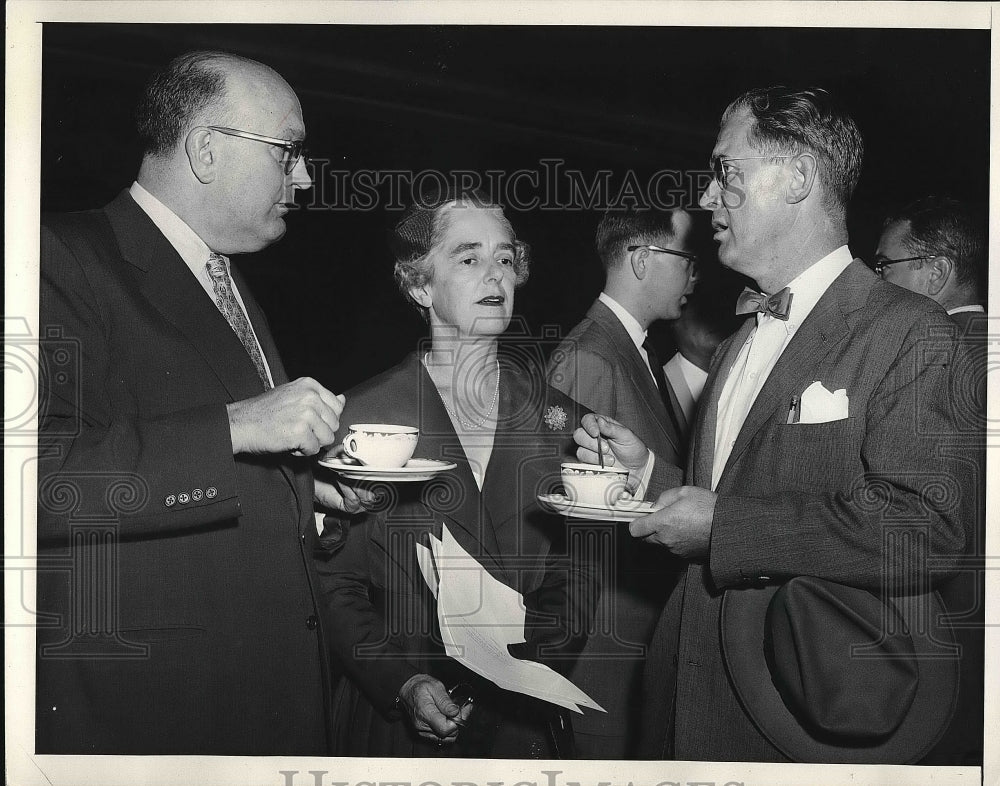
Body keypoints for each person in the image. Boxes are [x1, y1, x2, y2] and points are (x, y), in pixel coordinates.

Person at [574, 87, 977, 763]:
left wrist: (724, 528)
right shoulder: (738, 342)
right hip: (682, 694)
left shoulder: (912, 331)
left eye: (726, 173)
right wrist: (646, 472)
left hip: (795, 709)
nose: (707, 199)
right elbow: (738, 491)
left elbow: (926, 529)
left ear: (797, 179)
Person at [36, 50, 360, 755]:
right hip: (154, 714)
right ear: (207, 150)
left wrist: (306, 494)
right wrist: (236, 426)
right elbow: (32, 478)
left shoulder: (228, 278)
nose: (304, 178)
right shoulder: (54, 256)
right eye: (289, 153)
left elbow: (207, 468)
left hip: (259, 703)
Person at [315, 191, 596, 757]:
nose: (495, 274)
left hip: (522, 724)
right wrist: (402, 683)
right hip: (398, 726)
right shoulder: (361, 420)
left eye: (505, 258)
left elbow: (580, 570)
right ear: (420, 286)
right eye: (468, 259)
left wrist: (535, 659)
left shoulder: (565, 422)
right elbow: (333, 585)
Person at [544, 207, 693, 758]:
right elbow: (570, 528)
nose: (694, 276)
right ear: (641, 259)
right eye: (687, 260)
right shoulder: (589, 354)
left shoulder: (633, 350)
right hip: (606, 641)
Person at [876, 195, 987, 765]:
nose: (876, 282)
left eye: (884, 266)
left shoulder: (928, 357)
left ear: (937, 272)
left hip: (935, 639)